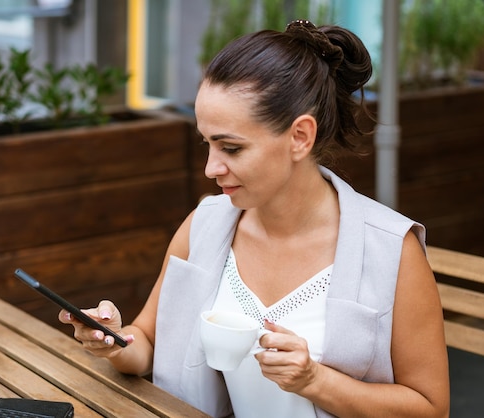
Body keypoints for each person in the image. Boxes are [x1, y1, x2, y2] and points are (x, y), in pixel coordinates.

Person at [59, 20, 450, 418]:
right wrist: (111, 340)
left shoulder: (390, 249)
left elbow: (431, 409)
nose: (212, 168)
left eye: (231, 147)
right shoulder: (204, 226)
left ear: (300, 137)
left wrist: (316, 380)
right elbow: (146, 344)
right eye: (208, 143)